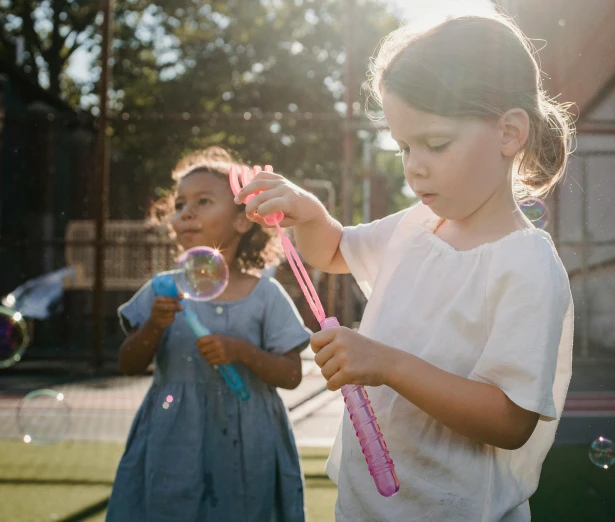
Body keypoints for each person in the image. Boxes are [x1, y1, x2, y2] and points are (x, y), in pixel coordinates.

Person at [235, 12, 575, 521]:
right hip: (367, 507)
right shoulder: (418, 226)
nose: (414, 165)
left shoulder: (524, 263)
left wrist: (388, 364)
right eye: (404, 147)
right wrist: (310, 211)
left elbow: (510, 419)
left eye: (435, 144)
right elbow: (332, 251)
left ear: (508, 133)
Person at [107, 147, 311, 522]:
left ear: (242, 221)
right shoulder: (162, 290)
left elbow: (292, 374)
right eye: (180, 203)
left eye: (203, 201)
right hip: (174, 438)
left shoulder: (265, 294)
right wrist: (154, 326)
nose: (187, 212)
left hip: (248, 441)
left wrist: (242, 352)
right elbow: (128, 363)